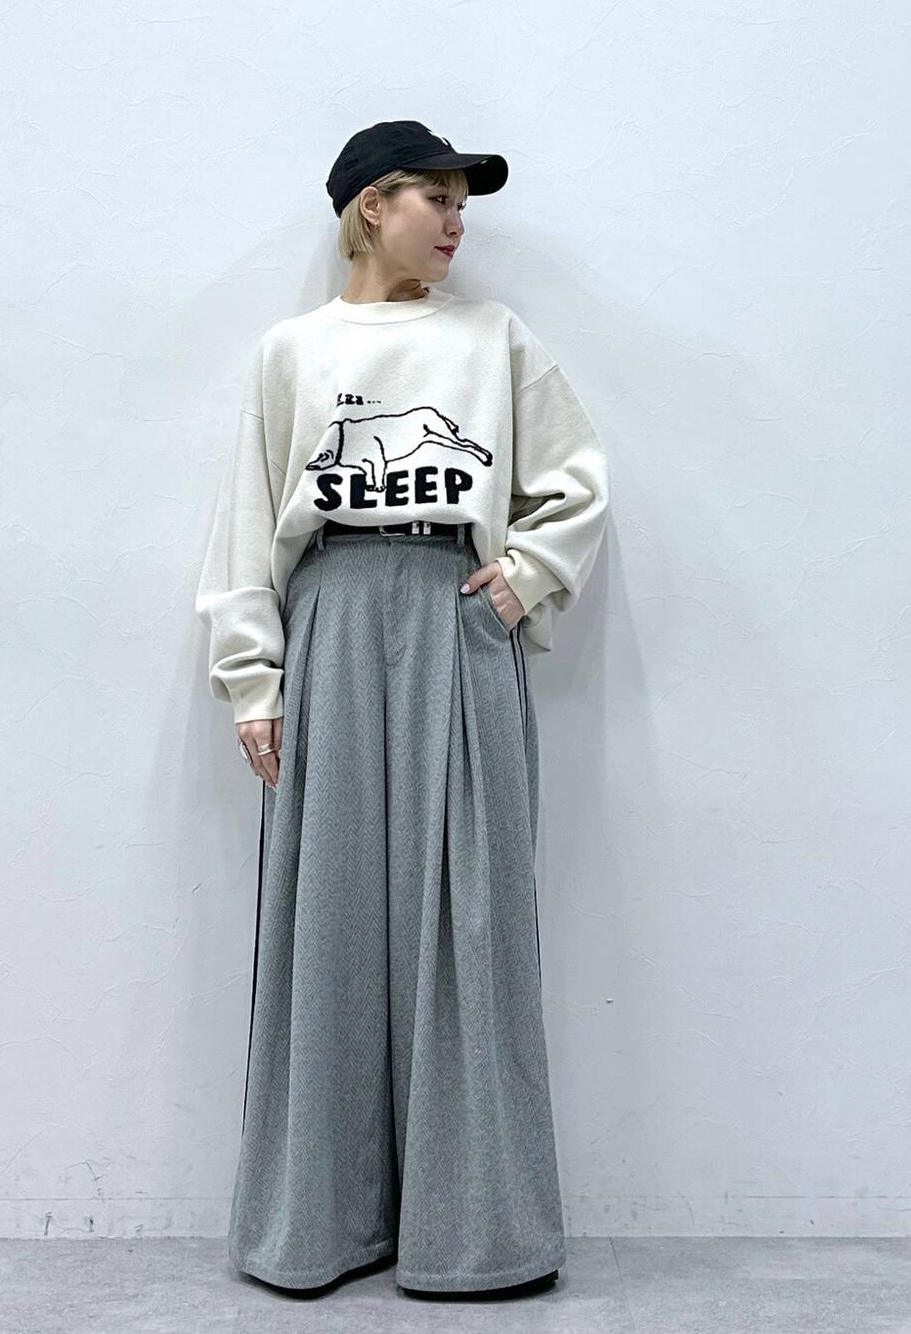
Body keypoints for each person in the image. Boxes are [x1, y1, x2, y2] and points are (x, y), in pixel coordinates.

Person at [194, 119, 610, 1298]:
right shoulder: (294, 351)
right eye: (438, 197)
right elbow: (247, 523)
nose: (457, 221)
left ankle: (474, 1232)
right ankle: (320, 1224)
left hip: (456, 617)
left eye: (462, 203)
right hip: (329, 618)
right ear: (372, 206)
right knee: (328, 921)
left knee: (470, 917)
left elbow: (576, 481)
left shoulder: (493, 338)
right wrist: (252, 677)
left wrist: (524, 575)